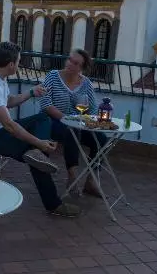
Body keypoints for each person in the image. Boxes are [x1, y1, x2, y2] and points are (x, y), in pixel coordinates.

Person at [0, 42, 80, 217]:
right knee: (34, 152)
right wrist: (39, 142)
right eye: (19, 61)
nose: (19, 65)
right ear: (11, 64)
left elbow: (8, 101)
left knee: (43, 118)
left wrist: (31, 92)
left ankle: (37, 154)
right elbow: (9, 126)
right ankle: (53, 204)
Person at [40, 49, 107, 196]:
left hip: (78, 124)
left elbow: (93, 109)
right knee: (71, 131)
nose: (70, 64)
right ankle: (72, 177)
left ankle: (91, 180)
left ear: (81, 68)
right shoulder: (53, 76)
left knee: (101, 139)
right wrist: (67, 119)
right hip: (53, 122)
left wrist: (85, 120)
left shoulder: (86, 83)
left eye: (75, 63)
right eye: (69, 59)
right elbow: (45, 104)